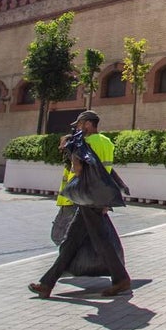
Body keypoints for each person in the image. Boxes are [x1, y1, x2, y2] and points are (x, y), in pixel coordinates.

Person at [28, 110, 131, 298]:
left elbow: (78, 169)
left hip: (88, 197)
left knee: (101, 240)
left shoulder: (85, 143)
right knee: (71, 241)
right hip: (100, 196)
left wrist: (73, 151)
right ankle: (47, 283)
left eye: (79, 124)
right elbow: (106, 170)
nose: (77, 128)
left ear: (88, 124)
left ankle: (121, 279)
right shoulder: (107, 143)